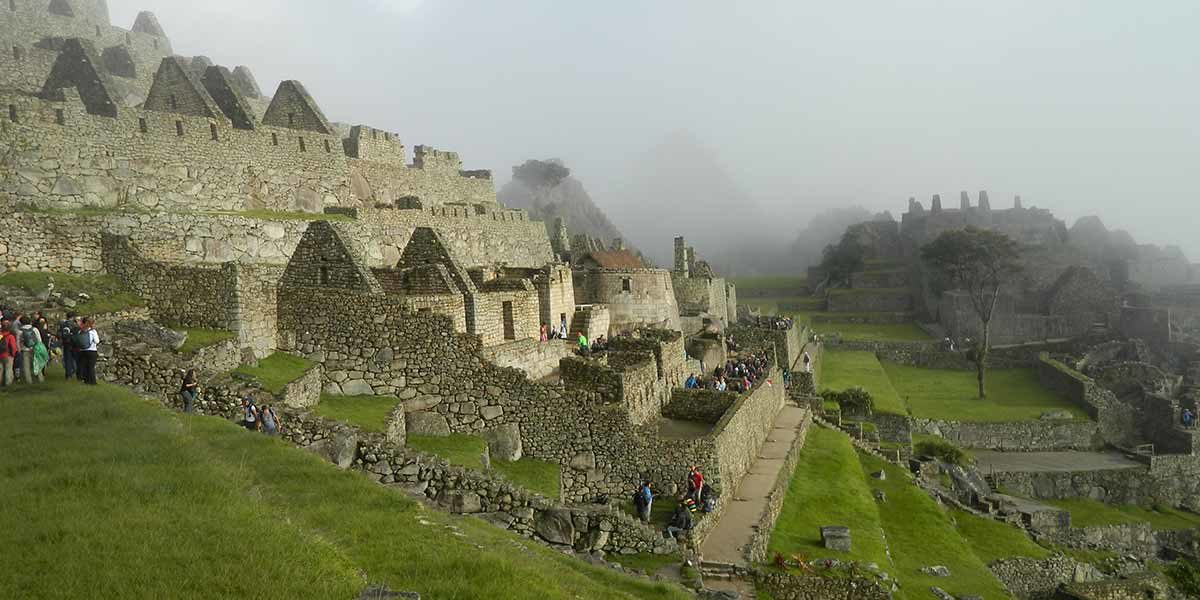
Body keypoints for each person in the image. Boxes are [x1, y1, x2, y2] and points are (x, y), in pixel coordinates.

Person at [19, 318, 46, 384]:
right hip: (35, 349)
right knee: (37, 364)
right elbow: (39, 340)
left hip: (25, 350)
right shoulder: (35, 329)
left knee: (26, 366)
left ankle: (29, 381)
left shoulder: (20, 331)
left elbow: (19, 342)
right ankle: (40, 379)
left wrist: (20, 348)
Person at [77, 318, 100, 385]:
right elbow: (97, 341)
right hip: (92, 351)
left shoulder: (81, 331)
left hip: (82, 350)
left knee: (84, 366)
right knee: (91, 367)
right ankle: (92, 382)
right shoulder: (93, 331)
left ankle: (86, 380)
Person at [58, 313, 79, 380]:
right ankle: (75, 372)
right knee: (75, 359)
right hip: (74, 344)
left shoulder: (62, 324)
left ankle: (68, 375)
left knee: (67, 359)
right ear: (72, 317)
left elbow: (59, 333)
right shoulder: (74, 325)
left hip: (66, 343)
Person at [0, 320, 15, 387]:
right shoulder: (10, 336)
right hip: (8, 355)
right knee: (8, 369)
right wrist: (13, 354)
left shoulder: (0, 335)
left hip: (0, 354)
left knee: (0, 369)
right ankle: (8, 383)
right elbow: (13, 346)